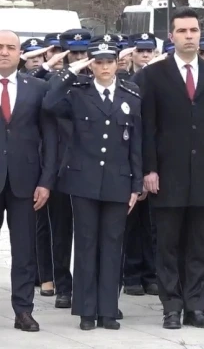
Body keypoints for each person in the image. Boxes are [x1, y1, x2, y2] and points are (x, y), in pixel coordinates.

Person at [136, 8, 204, 329]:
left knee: (199, 245)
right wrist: (149, 169)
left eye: (194, 30)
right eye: (183, 31)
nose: (189, 36)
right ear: (171, 36)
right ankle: (172, 307)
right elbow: (147, 126)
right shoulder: (154, 74)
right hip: (167, 174)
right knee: (167, 245)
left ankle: (195, 306)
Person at [43, 38, 142, 330]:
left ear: (116, 64)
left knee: (113, 246)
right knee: (86, 245)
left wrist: (136, 184)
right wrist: (72, 71)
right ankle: (87, 311)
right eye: (98, 62)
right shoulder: (77, 93)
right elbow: (49, 103)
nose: (104, 67)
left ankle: (108, 310)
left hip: (118, 180)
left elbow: (136, 144)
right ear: (92, 65)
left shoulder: (131, 94)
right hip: (83, 179)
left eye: (109, 62)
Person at [0, 30, 56, 331]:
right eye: (0, 47)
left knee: (24, 251)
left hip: (26, 181)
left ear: (20, 53)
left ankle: (23, 311)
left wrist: (46, 180)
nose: (4, 52)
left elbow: (49, 137)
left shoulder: (36, 88)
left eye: (11, 47)